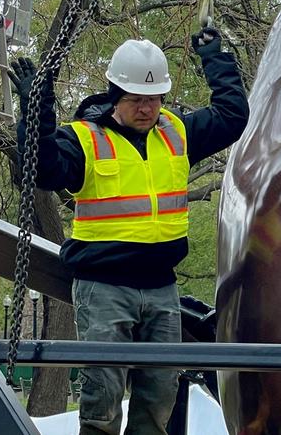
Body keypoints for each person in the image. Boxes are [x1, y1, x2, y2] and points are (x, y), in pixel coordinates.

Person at [14, 28, 248, 435]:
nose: (147, 108)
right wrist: (37, 110)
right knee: (102, 396)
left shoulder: (176, 134)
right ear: (114, 94)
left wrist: (215, 59)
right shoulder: (85, 139)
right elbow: (43, 168)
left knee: (159, 395)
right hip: (104, 288)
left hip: (161, 288)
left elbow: (232, 116)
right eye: (137, 99)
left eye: (155, 98)